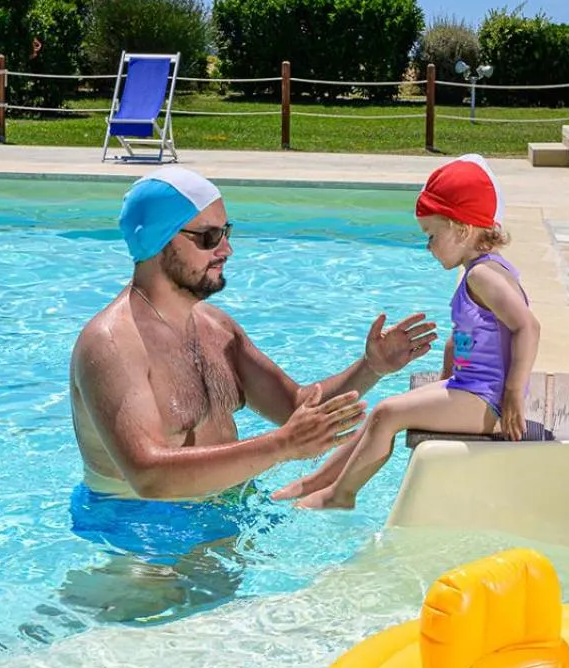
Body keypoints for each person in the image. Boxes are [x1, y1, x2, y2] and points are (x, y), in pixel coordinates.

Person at [66, 167, 439, 572]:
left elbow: (296, 407)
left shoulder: (216, 329)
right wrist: (281, 446)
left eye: (227, 232)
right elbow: (148, 476)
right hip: (142, 538)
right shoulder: (112, 344)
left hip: (227, 512)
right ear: (158, 239)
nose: (226, 250)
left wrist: (371, 368)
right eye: (209, 237)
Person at [273, 154, 540, 510]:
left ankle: (341, 495)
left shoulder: (482, 276)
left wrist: (513, 395)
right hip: (472, 389)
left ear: (461, 229)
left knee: (387, 413)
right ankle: (319, 480)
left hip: (488, 402)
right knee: (383, 412)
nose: (427, 245)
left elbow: (527, 326)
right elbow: (463, 335)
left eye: (432, 235)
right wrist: (447, 377)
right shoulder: (480, 270)